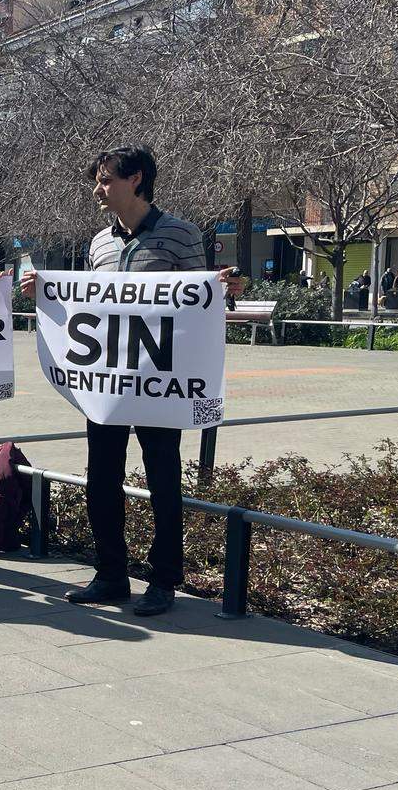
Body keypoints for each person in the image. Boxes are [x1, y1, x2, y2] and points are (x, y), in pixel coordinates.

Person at [22, 145, 245, 616]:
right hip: (107, 386)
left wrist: (226, 289)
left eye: (106, 180)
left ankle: (164, 580)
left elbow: (202, 305)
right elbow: (91, 305)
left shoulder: (181, 234)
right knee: (101, 479)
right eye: (98, 181)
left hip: (159, 385)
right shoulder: (99, 244)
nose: (98, 190)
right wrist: (45, 294)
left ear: (136, 179)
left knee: (163, 481)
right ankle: (111, 575)